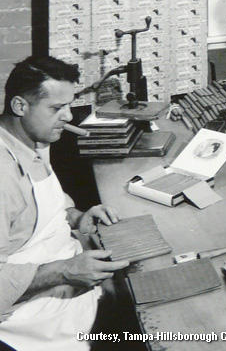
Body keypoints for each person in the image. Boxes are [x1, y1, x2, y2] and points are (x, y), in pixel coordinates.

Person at [0, 56, 129, 351]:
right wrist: (65, 271)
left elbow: (41, 209)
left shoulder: (32, 138)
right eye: (56, 108)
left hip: (65, 274)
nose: (68, 117)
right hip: (28, 318)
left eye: (69, 105)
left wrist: (76, 217)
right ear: (20, 106)